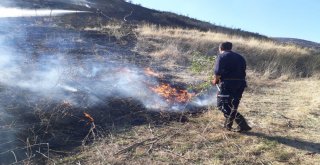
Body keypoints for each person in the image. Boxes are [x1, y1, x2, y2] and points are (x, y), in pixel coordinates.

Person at [212, 42, 251, 132]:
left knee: (222, 105)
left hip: (228, 84)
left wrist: (215, 81)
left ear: (221, 48)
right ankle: (228, 126)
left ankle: (243, 125)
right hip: (241, 84)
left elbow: (217, 72)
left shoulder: (222, 56)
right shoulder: (240, 57)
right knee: (233, 105)